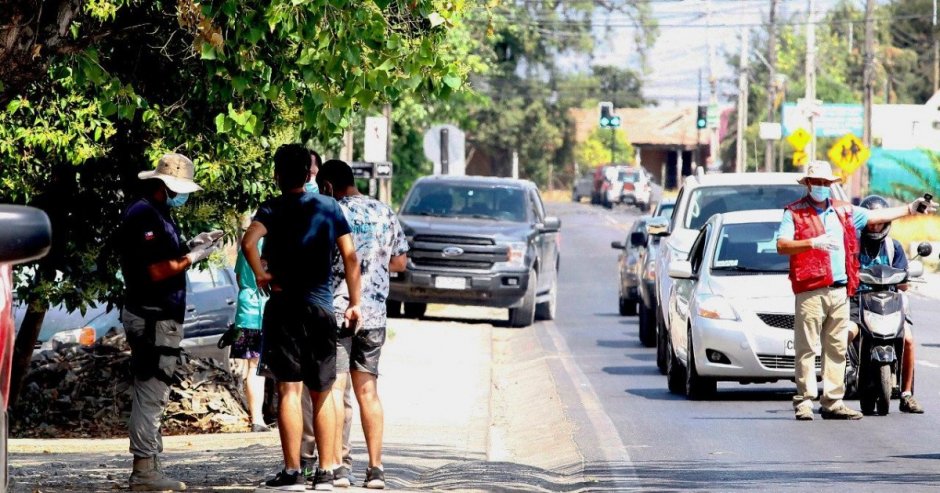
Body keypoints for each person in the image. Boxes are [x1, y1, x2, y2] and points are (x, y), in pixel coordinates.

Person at [776, 161, 937, 421]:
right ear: (807, 184)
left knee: (837, 348)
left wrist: (910, 208)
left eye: (825, 183)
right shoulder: (794, 213)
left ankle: (833, 401)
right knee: (807, 348)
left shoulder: (843, 211)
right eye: (816, 182)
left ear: (831, 185)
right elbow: (782, 245)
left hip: (840, 289)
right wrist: (811, 243)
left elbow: (875, 217)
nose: (821, 187)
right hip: (810, 289)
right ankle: (805, 402)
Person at [242, 144, 361, 492]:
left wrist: (261, 275)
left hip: (283, 308)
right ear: (310, 174)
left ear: (277, 175)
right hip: (321, 309)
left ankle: (293, 471)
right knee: (323, 390)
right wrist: (355, 302)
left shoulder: (272, 208)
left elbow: (249, 242)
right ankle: (326, 471)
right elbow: (350, 258)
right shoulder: (328, 206)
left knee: (288, 391)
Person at [118, 153, 221, 491]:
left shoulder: (155, 212)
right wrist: (194, 256)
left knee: (152, 392)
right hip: (153, 318)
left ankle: (150, 465)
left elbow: (164, 257)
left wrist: (191, 246)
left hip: (154, 315)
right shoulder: (146, 215)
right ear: (166, 185)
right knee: (151, 392)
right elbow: (158, 270)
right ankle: (144, 472)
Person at [317, 159, 409, 489]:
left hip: (338, 311)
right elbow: (400, 261)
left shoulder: (329, 212)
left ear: (328, 185)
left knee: (335, 390)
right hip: (375, 315)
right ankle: (376, 469)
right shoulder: (383, 211)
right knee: (368, 391)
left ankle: (338, 467)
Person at [847, 194, 923, 414]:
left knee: (908, 339)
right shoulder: (853, 245)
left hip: (890, 303)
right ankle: (841, 380)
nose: (875, 226)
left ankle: (907, 394)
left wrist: (904, 279)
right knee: (845, 336)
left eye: (880, 221)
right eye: (872, 221)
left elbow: (904, 284)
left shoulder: (893, 247)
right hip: (858, 301)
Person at [232, 228, 272, 432]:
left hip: (245, 310)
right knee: (264, 367)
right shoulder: (271, 246)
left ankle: (257, 417)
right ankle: (264, 417)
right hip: (266, 310)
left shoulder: (244, 248)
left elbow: (239, 278)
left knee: (251, 367)